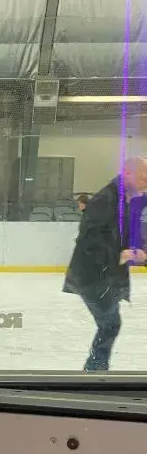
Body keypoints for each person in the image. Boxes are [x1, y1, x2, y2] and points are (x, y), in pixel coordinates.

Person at [64, 158, 147, 372]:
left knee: (110, 323)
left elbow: (124, 235)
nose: (146, 183)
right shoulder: (105, 200)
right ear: (127, 174)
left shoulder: (126, 199)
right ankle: (95, 370)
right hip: (92, 277)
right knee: (110, 324)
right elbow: (89, 241)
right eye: (144, 178)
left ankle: (96, 369)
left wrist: (137, 252)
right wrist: (119, 255)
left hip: (106, 277)